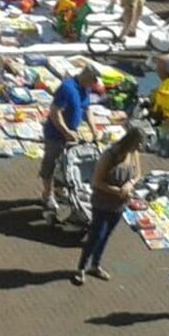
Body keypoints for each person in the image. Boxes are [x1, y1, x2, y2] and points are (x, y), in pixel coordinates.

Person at [74, 126, 144, 284]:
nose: (140, 148)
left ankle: (95, 264)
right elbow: (97, 182)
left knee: (106, 236)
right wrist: (118, 190)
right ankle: (81, 268)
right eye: (138, 144)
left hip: (119, 204)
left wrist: (130, 183)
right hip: (103, 202)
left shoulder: (134, 154)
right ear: (131, 141)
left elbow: (138, 174)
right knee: (96, 236)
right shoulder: (109, 155)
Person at [40, 65, 99, 213]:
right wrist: (65, 131)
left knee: (67, 164)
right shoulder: (66, 88)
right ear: (86, 77)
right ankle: (47, 194)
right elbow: (55, 112)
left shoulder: (86, 88)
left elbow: (87, 108)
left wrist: (94, 128)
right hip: (55, 134)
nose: (93, 85)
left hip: (71, 134)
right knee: (51, 163)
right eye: (93, 81)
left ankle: (60, 190)